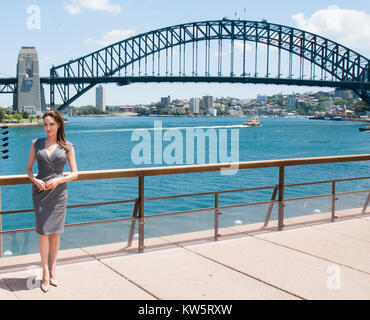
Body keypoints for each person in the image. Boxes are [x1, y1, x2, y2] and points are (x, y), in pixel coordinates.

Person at [26, 110, 78, 293]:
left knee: (55, 234)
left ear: (59, 125)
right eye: (45, 124)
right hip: (40, 193)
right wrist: (36, 180)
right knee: (43, 233)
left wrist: (59, 180)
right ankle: (45, 273)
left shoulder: (67, 146)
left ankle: (53, 269)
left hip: (59, 193)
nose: (47, 128)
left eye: (51, 124)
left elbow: (75, 173)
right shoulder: (36, 144)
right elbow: (28, 170)